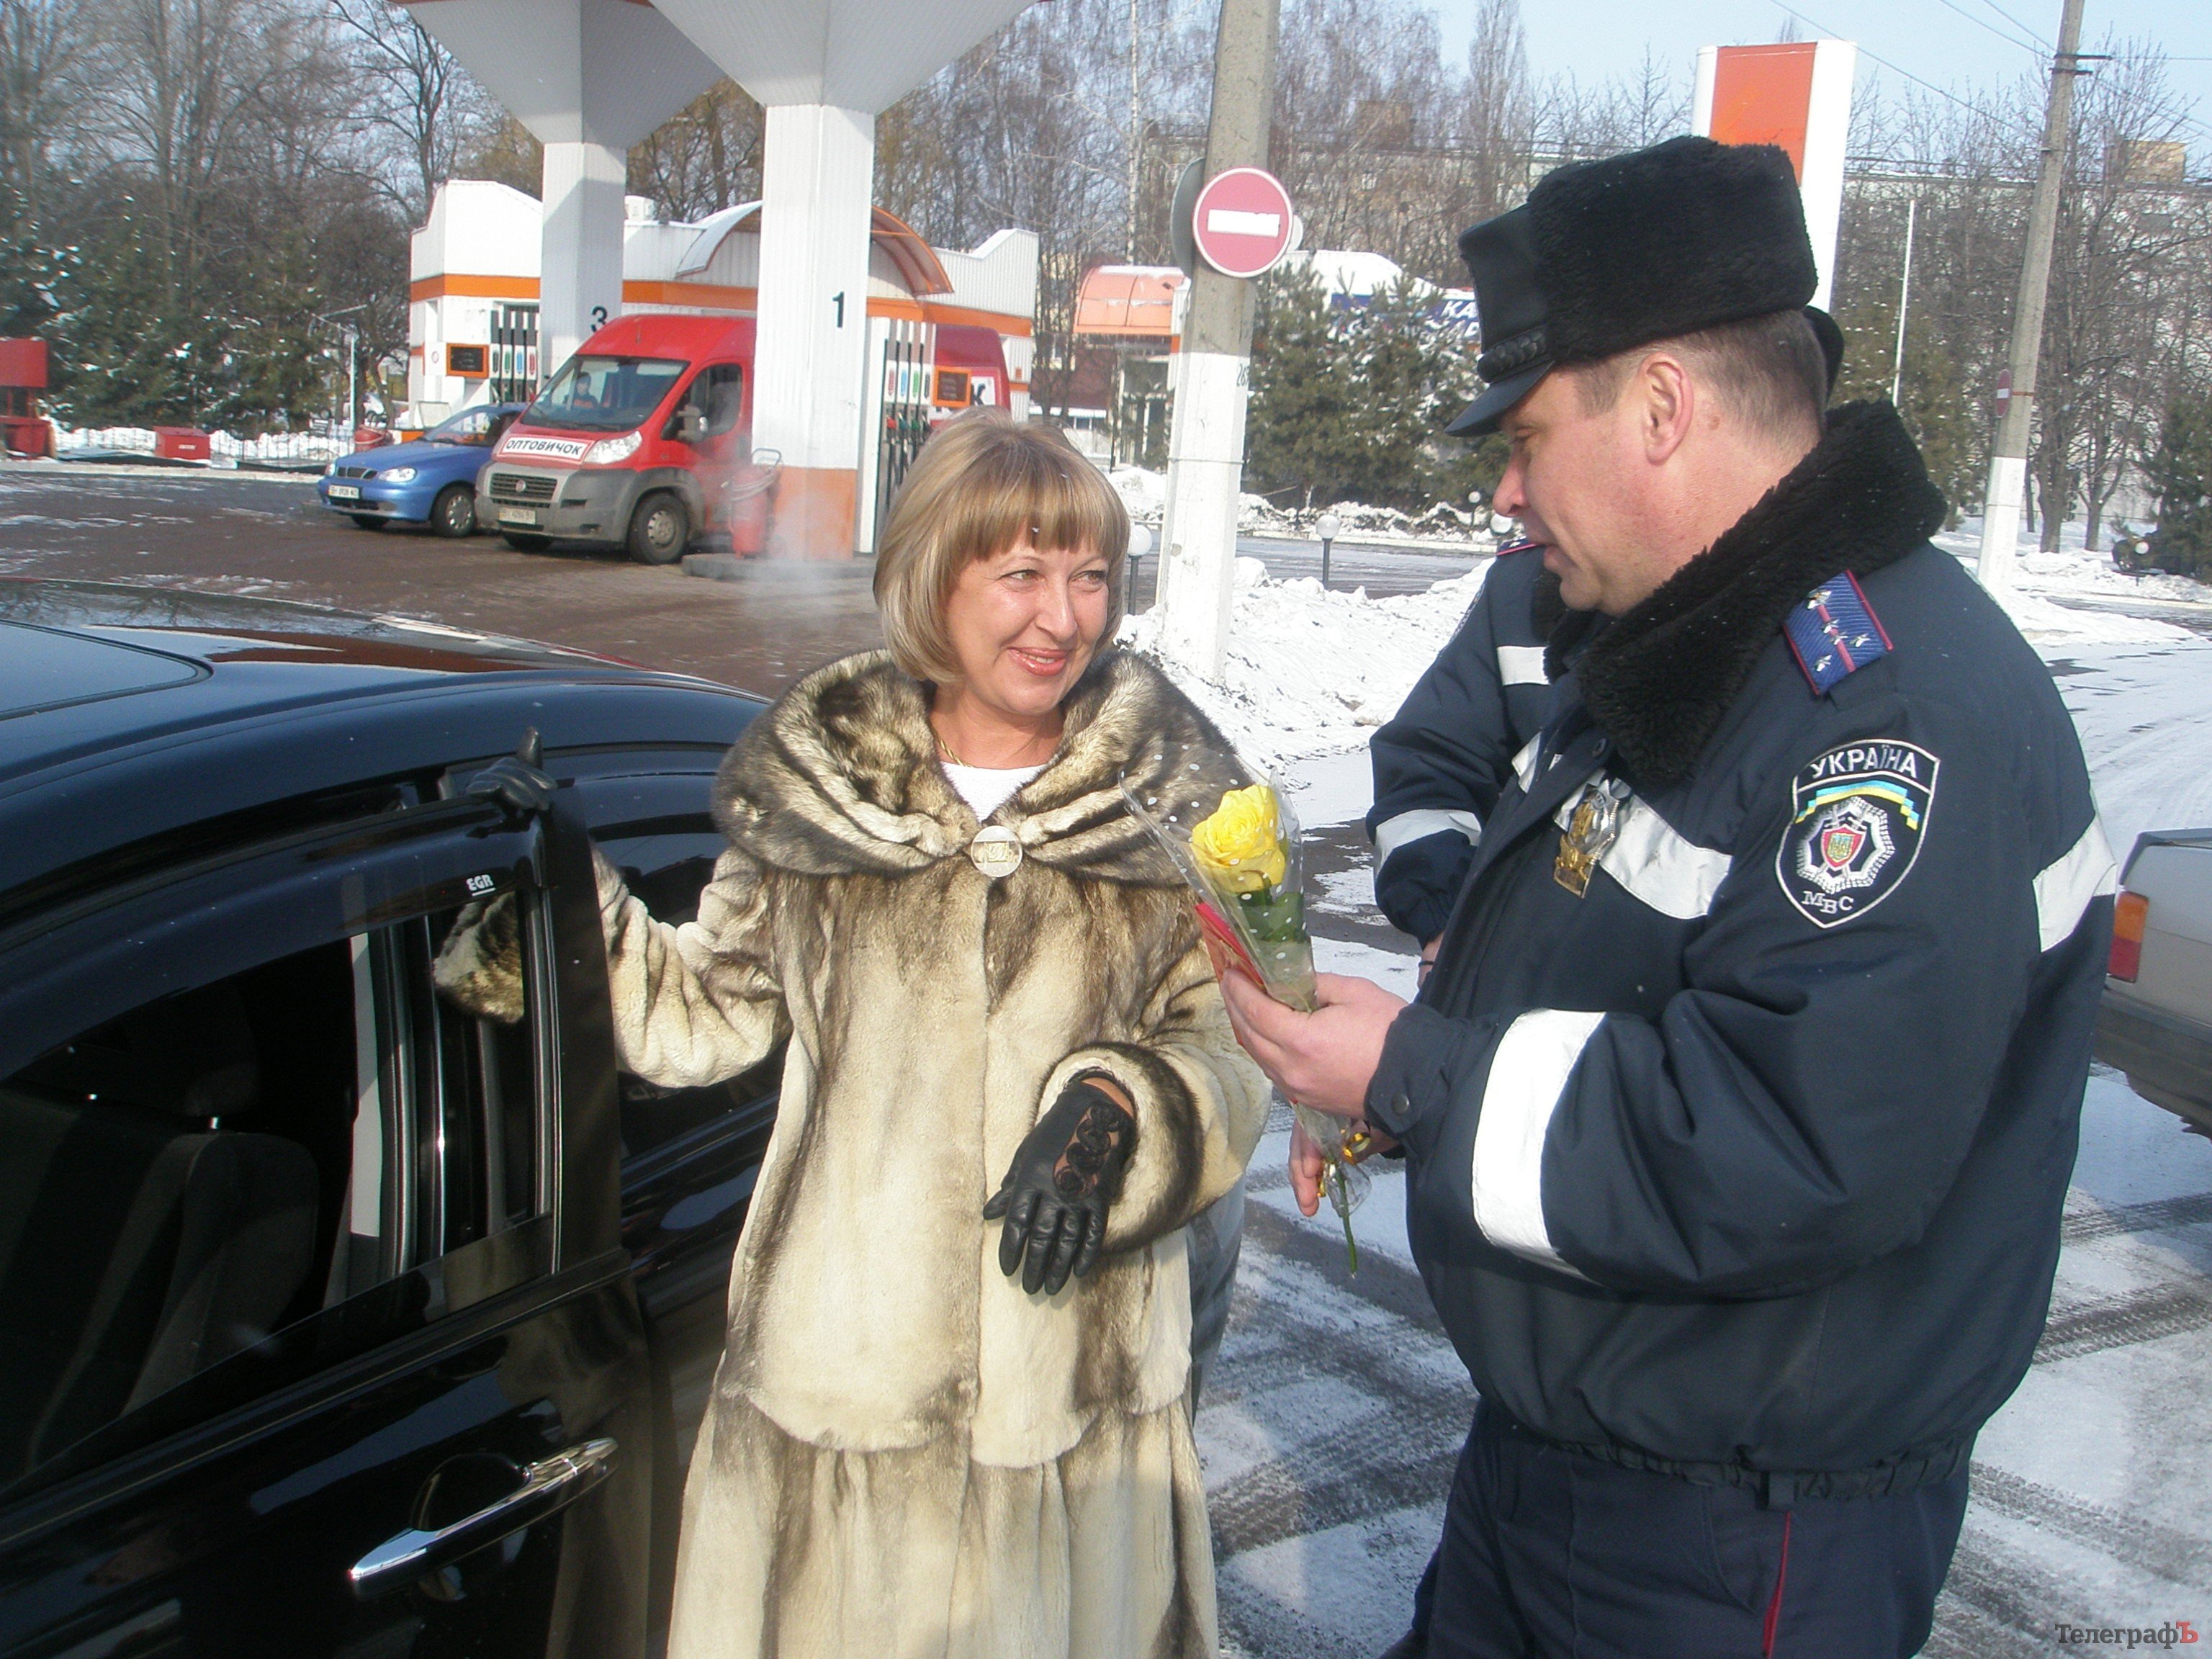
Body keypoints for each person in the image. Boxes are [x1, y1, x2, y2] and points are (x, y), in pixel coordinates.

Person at [1221, 135, 2113, 1657]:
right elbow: (1613, 964)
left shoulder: (1887, 716)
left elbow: (1792, 1139)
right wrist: (1403, 1100)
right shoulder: (1698, 647)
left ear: (1659, 408)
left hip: (1734, 1543)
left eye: (1523, 434)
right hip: (1575, 1472)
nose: (1505, 493)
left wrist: (1417, 1074)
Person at [441, 412, 1269, 1659]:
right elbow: (702, 1016)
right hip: (835, 1408)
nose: (1065, 618)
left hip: (1071, 1426)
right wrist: (560, 899)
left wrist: (1119, 1113)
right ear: (934, 579)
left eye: (1091, 576)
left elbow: (1238, 1042)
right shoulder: (827, 799)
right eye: (1023, 576)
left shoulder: (1174, 808)